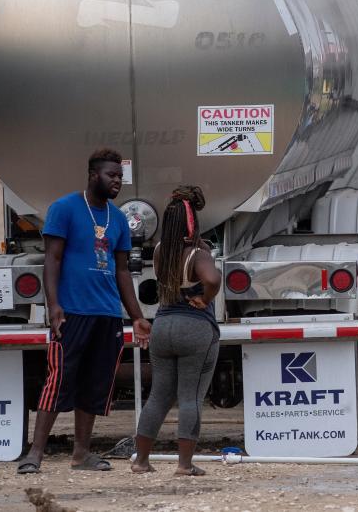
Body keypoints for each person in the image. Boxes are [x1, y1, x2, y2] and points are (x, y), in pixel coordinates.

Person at [17, 149, 151, 475]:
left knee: (95, 384)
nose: (117, 181)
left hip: (107, 315)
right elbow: (53, 259)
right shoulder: (64, 209)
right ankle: (35, 453)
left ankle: (81, 454)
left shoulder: (118, 219)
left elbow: (122, 272)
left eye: (120, 176)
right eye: (111, 176)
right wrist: (54, 306)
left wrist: (136, 315)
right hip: (72, 312)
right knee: (59, 378)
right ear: (93, 175)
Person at [132, 186, 222, 476]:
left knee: (158, 396)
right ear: (192, 222)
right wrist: (206, 298)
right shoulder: (197, 253)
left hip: (163, 326)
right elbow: (213, 278)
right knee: (189, 397)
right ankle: (184, 464)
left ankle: (141, 461)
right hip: (194, 329)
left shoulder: (159, 252)